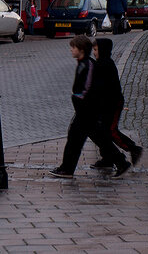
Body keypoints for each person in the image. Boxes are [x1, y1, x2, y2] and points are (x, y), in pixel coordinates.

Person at [49, 35, 131, 179]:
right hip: (85, 110)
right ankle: (120, 162)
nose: (71, 50)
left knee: (77, 139)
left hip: (87, 110)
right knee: (94, 139)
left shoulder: (88, 64)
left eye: (73, 47)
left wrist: (78, 97)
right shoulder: (83, 63)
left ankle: (67, 169)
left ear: (81, 49)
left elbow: (88, 88)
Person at [89, 38, 143, 169]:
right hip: (105, 103)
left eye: (96, 50)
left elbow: (103, 85)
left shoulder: (105, 64)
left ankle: (133, 148)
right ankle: (107, 158)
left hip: (113, 103)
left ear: (103, 50)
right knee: (103, 131)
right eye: (93, 50)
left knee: (110, 131)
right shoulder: (101, 63)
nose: (94, 53)